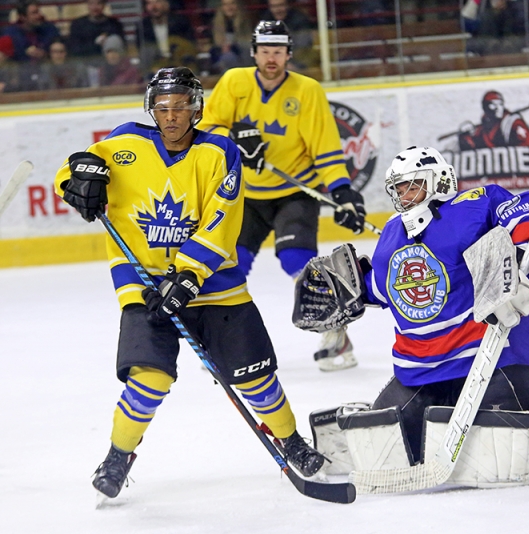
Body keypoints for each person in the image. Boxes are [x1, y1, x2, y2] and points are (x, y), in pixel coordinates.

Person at [53, 66, 325, 499]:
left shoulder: (219, 153)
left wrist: (187, 277)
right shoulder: (123, 143)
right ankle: (118, 456)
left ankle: (291, 441)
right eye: (163, 108)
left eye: (181, 107)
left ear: (196, 109)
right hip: (143, 283)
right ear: (151, 109)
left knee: (254, 376)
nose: (172, 116)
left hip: (216, 285)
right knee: (149, 378)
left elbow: (221, 222)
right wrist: (75, 182)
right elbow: (74, 169)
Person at [294, 146, 529, 462]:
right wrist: (345, 291)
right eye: (399, 188)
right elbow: (389, 287)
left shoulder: (476, 204)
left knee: (492, 454)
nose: (405, 194)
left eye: (413, 184)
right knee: (382, 450)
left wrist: (518, 260)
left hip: (495, 362)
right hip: (423, 375)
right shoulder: (393, 234)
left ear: (438, 180)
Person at [198, 21, 367, 372]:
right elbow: (208, 131)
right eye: (264, 51)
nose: (270, 58)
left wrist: (342, 190)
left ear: (289, 54)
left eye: (278, 52)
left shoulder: (308, 91)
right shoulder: (234, 82)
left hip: (294, 192)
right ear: (253, 53)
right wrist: (234, 139)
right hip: (244, 195)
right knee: (231, 264)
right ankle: (226, 342)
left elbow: (326, 149)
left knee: (297, 261)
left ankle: (336, 334)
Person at [138, 0, 196, 75]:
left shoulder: (180, 22)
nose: (153, 7)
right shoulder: (143, 26)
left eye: (157, 2)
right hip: (155, 67)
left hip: (180, 64)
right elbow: (144, 51)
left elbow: (189, 47)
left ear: (167, 4)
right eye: (149, 3)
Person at [211, 0, 253, 70]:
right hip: (223, 58)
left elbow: (248, 43)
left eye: (232, 3)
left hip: (242, 56)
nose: (229, 7)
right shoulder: (216, 23)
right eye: (225, 5)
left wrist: (232, 46)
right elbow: (216, 45)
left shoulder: (246, 21)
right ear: (221, 7)